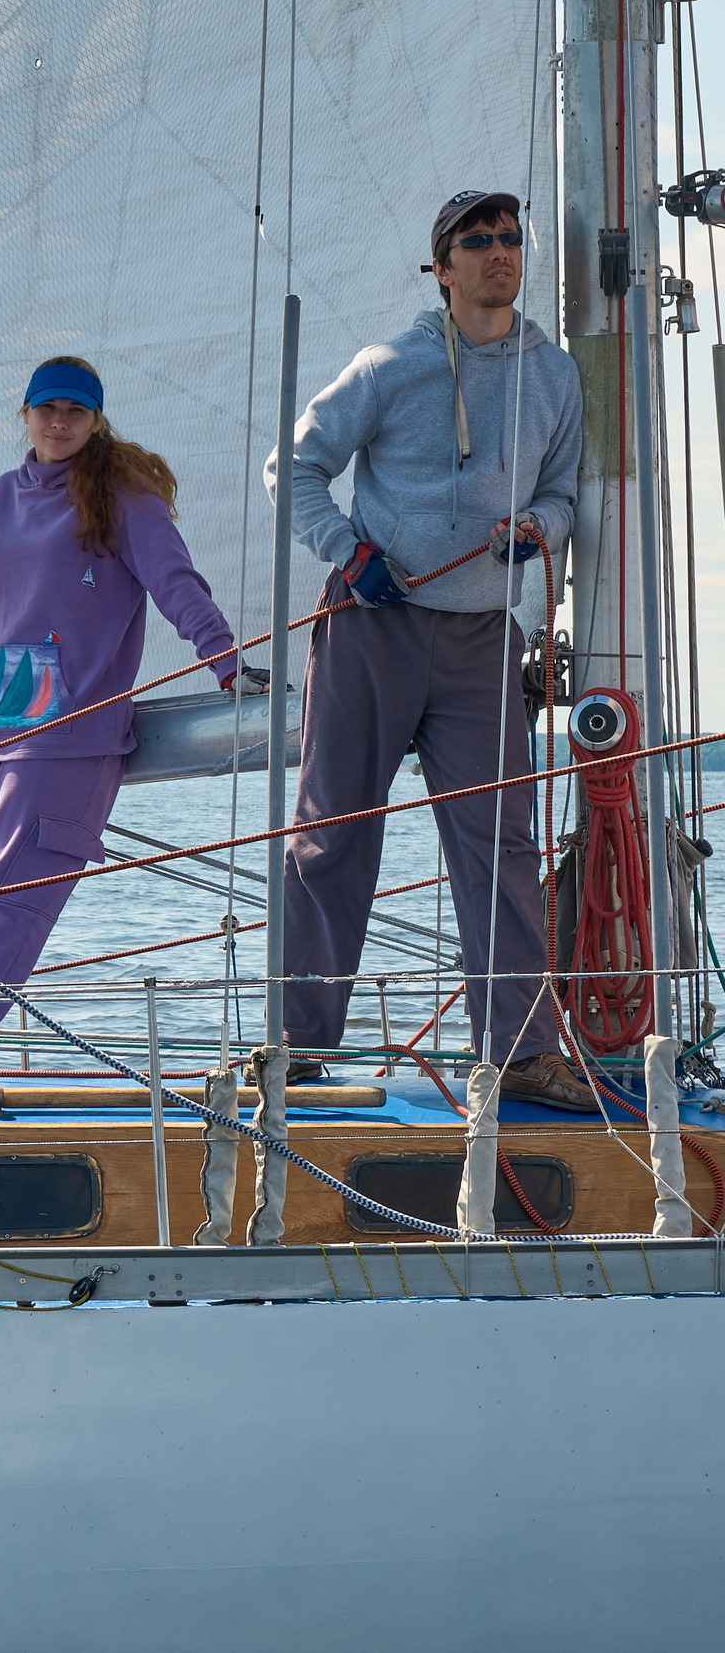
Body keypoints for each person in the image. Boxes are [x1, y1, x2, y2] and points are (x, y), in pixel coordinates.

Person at [267, 188, 587, 1105]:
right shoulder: (390, 366)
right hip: (372, 623)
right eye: (477, 240)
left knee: (503, 843)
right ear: (442, 268)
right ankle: (297, 1050)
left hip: (481, 636)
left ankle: (520, 1050)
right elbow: (294, 467)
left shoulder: (555, 375)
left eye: (510, 237)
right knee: (332, 836)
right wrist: (348, 551)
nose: (500, 250)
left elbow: (563, 493)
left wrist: (540, 528)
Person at [0, 356, 259, 1072]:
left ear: (96, 419)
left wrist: (226, 660)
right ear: (26, 415)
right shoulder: (4, 494)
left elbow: (175, 581)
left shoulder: (125, 495)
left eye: (75, 411)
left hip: (68, 734)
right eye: (47, 409)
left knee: (8, 895)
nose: (59, 422)